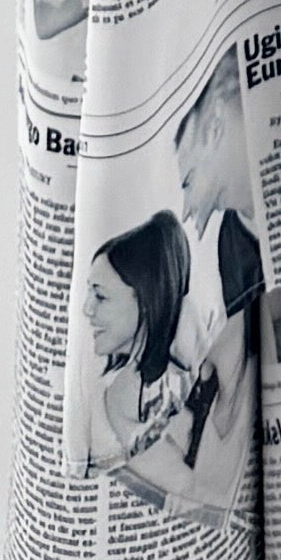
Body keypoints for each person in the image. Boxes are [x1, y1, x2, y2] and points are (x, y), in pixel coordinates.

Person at [73, 212, 237, 504]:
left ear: (146, 300)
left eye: (101, 296)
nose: (87, 308)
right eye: (89, 292)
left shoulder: (176, 368)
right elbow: (192, 490)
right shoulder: (124, 393)